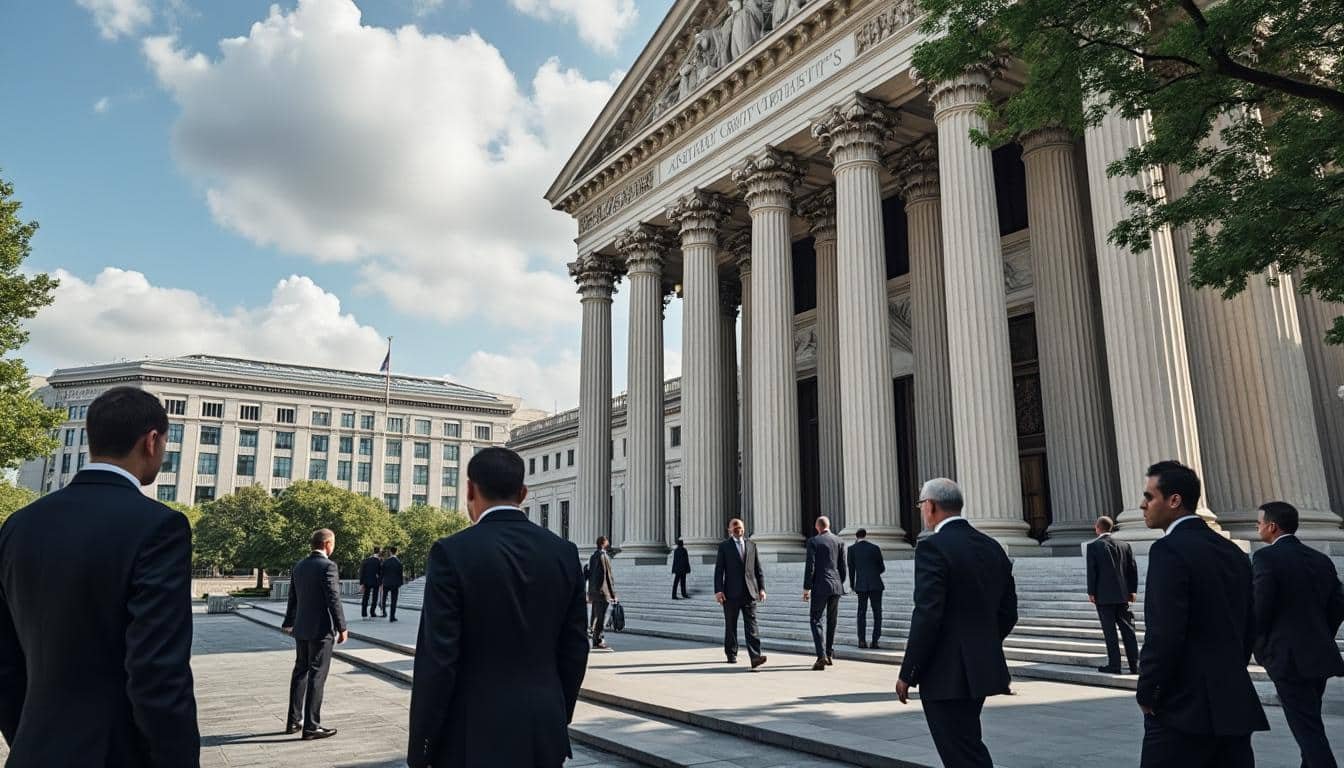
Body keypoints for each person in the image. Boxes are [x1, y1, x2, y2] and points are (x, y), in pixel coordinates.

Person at [0, 386, 199, 767]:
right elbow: (157, 672)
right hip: (115, 754)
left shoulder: (18, 525)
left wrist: (32, 739)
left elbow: (5, 664)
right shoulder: (159, 527)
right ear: (151, 441)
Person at [407, 447, 589, 768]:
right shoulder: (564, 552)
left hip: (471, 734)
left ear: (470, 489)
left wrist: (422, 744)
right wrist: (555, 713)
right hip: (543, 729)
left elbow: (438, 659)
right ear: (523, 493)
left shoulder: (451, 552)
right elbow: (575, 649)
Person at [1136, 460, 1268, 768]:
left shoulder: (1168, 550)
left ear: (1174, 500)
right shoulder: (1234, 552)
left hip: (1182, 708)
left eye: (1149, 496)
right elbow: (1249, 625)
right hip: (1233, 700)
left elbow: (1164, 632)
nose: (1142, 505)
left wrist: (1148, 692)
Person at [896, 478, 1017, 768]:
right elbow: (1008, 612)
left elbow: (927, 614)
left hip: (945, 674)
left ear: (930, 506)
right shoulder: (992, 547)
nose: (921, 511)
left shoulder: (932, 547)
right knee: (967, 744)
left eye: (921, 505)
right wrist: (981, 644)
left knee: (961, 755)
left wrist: (908, 672)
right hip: (980, 668)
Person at [1253, 501, 1344, 768]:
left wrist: (1262, 648)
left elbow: (1260, 609)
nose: (1257, 527)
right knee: (1310, 724)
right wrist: (1322, 634)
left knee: (1308, 731)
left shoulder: (1266, 558)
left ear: (1272, 526)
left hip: (1287, 658)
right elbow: (1338, 605)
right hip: (1319, 655)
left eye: (1259, 523)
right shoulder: (1320, 559)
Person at [282, 528, 348, 740]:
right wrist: (342, 627)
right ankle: (312, 726)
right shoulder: (328, 566)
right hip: (320, 630)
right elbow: (333, 598)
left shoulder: (300, 566)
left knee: (300, 672)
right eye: (333, 543)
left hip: (301, 628)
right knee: (317, 675)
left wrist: (289, 622)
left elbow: (293, 597)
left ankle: (294, 721)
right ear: (327, 544)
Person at [1086, 515, 1139, 674]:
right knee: (1128, 631)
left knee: (1110, 633)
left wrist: (1091, 592)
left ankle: (1115, 665)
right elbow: (1132, 569)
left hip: (1103, 597)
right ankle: (1135, 665)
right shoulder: (1125, 545)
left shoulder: (1093, 547)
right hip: (1123, 596)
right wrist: (1132, 590)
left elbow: (1092, 572)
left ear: (1097, 528)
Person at [714, 518, 768, 669]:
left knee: (752, 626)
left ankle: (755, 657)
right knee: (731, 625)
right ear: (730, 530)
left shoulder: (751, 545)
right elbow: (719, 570)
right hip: (730, 593)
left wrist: (762, 588)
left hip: (749, 592)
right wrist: (718, 590)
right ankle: (731, 653)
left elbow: (758, 569)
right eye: (735, 528)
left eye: (741, 527)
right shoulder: (724, 546)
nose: (739, 530)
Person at [803, 515, 846, 670]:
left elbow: (811, 566)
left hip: (820, 586)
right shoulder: (839, 541)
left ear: (817, 527)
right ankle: (829, 653)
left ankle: (821, 656)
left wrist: (807, 587)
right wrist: (840, 582)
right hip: (836, 586)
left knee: (816, 619)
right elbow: (843, 566)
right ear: (829, 525)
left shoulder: (813, 541)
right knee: (832, 620)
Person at [848, 527, 885, 649]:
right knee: (877, 613)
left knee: (861, 613)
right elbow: (882, 568)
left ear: (856, 536)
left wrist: (852, 585)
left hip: (861, 585)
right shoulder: (875, 548)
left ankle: (862, 641)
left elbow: (851, 569)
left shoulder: (852, 549)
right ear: (865, 535)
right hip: (876, 584)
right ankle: (875, 641)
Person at [587, 536, 618, 650]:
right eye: (607, 541)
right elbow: (608, 576)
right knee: (601, 617)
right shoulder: (603, 556)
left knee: (596, 616)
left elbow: (589, 574)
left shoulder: (593, 556)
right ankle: (598, 640)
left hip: (594, 592)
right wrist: (613, 594)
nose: (608, 542)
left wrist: (590, 593)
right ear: (603, 543)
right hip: (603, 592)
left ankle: (595, 639)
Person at [381, 546, 405, 623]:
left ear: (390, 552)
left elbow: (382, 573)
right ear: (396, 552)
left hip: (386, 583)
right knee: (394, 600)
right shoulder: (399, 563)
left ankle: (384, 612)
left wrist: (381, 582)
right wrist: (400, 583)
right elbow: (400, 575)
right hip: (395, 583)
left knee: (384, 598)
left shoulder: (385, 562)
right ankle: (392, 617)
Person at [359, 547, 383, 620]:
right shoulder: (379, 561)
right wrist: (381, 583)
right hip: (375, 581)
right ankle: (372, 613)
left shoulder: (366, 560)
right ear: (379, 552)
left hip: (366, 581)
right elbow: (381, 573)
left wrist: (361, 583)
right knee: (375, 598)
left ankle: (364, 614)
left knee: (365, 597)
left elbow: (362, 572)